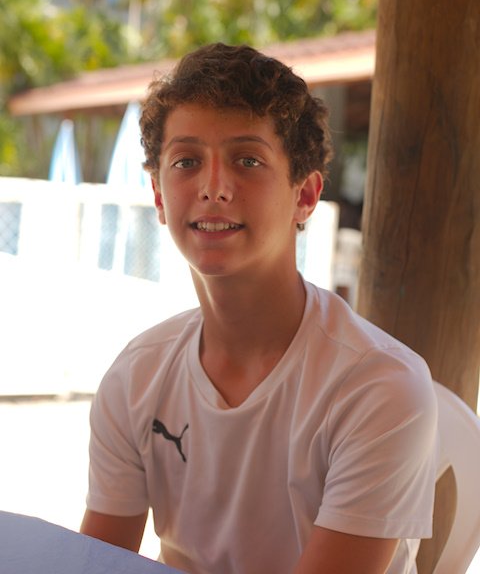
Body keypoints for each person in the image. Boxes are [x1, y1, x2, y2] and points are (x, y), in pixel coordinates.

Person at [80, 43, 438, 574]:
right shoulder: (137, 375)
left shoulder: (378, 386)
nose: (214, 188)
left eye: (247, 160)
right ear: (158, 196)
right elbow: (94, 563)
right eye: (186, 162)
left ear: (305, 196)